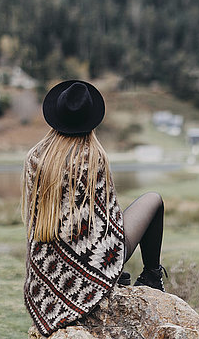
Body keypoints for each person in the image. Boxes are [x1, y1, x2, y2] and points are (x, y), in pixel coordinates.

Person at [22, 80, 166, 336]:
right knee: (153, 199)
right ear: (91, 120)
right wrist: (110, 273)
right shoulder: (92, 158)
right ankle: (152, 277)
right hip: (94, 268)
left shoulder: (35, 157)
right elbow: (107, 223)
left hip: (47, 270)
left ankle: (120, 277)